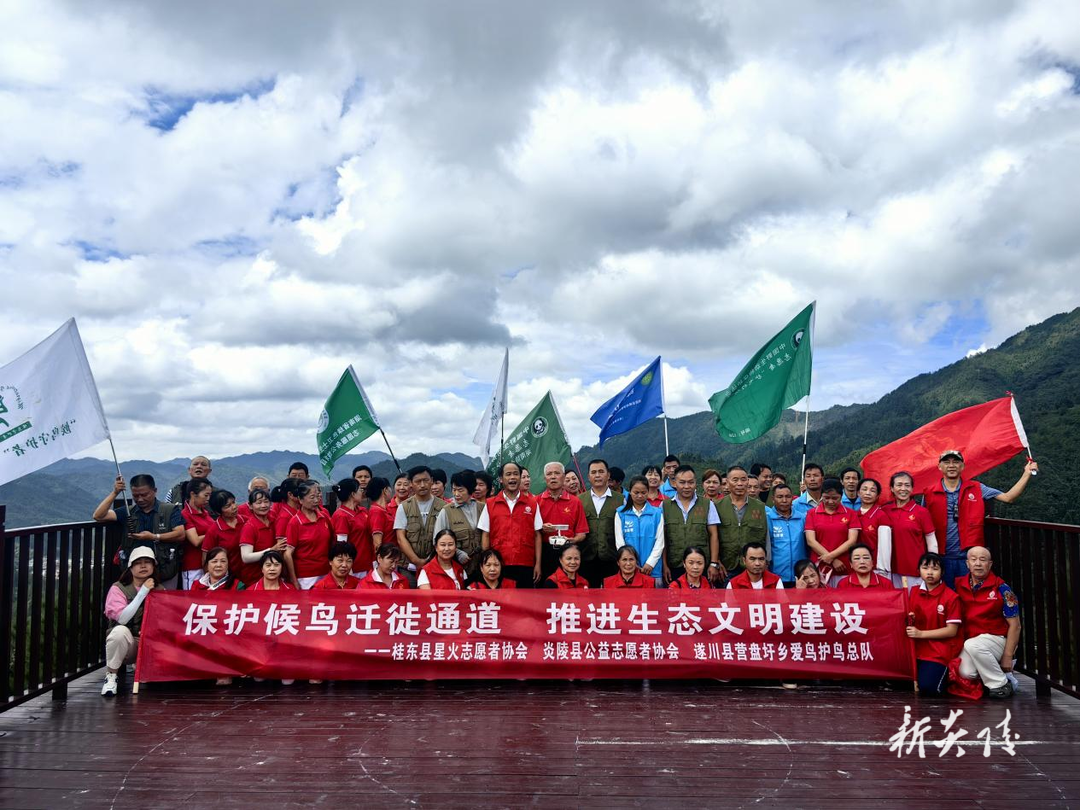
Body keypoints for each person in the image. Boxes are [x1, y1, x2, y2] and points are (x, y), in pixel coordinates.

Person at [923, 450, 1038, 590]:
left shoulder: (977, 488)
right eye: (947, 462)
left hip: (970, 558)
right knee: (943, 597)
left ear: (962, 466)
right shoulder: (929, 493)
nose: (951, 465)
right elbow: (923, 526)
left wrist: (1027, 473)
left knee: (970, 596)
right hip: (940, 558)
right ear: (939, 467)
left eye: (956, 462)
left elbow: (1008, 497)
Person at [92, 473, 185, 588]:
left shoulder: (170, 510)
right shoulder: (128, 512)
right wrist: (115, 492)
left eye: (144, 495)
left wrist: (153, 537)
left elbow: (180, 534)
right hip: (135, 575)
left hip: (164, 570)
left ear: (155, 491)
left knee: (164, 599)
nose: (140, 499)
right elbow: (98, 516)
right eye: (135, 496)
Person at [955, 546, 1021, 699]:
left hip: (997, 639)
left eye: (982, 560)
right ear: (967, 564)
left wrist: (1008, 655)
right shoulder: (958, 585)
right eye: (973, 559)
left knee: (973, 645)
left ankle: (1000, 684)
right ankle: (992, 675)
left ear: (990, 564)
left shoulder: (1003, 589)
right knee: (965, 672)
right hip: (972, 642)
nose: (978, 563)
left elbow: (1015, 625)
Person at [101, 546, 163, 696]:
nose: (143, 566)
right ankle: (111, 677)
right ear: (130, 567)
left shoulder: (160, 590)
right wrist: (143, 592)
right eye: (138, 563)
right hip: (129, 643)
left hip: (150, 643)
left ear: (153, 566)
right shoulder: (118, 589)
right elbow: (123, 618)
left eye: (147, 562)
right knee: (119, 632)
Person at [906, 552, 963, 695]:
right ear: (918, 570)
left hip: (938, 650)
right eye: (925, 568)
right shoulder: (913, 592)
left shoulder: (951, 597)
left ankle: (951, 676)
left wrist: (921, 634)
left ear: (942, 572)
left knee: (929, 688)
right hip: (915, 649)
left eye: (935, 568)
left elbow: (952, 631)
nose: (930, 572)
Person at [479, 462, 543, 588]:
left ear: (520, 477)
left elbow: (537, 535)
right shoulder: (490, 504)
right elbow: (485, 534)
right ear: (501, 479)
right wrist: (487, 563)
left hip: (525, 563)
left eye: (516, 474)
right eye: (508, 474)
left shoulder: (532, 504)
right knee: (501, 598)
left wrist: (538, 564)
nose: (512, 477)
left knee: (524, 598)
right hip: (499, 564)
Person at [661, 465, 721, 585]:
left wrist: (714, 563)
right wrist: (664, 565)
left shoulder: (707, 504)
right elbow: (662, 538)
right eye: (682, 482)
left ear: (695, 483)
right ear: (675, 483)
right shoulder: (665, 506)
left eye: (690, 482)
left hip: (701, 566)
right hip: (675, 565)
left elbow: (714, 535)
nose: (687, 486)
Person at [882, 471, 939, 587]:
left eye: (907, 485)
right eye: (899, 485)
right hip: (890, 570)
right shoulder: (884, 511)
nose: (903, 489)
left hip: (915, 570)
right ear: (892, 488)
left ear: (912, 489)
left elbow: (931, 541)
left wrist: (931, 566)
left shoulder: (921, 512)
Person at [536, 462, 588, 580]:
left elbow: (582, 533)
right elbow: (532, 532)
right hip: (545, 551)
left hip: (569, 551)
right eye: (549, 474)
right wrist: (541, 528)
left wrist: (573, 540)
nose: (553, 477)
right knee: (546, 587)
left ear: (563, 477)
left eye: (557, 473)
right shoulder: (537, 501)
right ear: (545, 478)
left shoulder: (575, 502)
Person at [803, 478, 860, 585]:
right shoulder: (812, 513)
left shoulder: (851, 514)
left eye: (835, 498)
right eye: (826, 498)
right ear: (821, 495)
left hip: (843, 565)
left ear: (841, 496)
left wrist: (830, 556)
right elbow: (811, 541)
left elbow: (852, 540)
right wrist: (832, 559)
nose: (830, 501)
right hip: (819, 566)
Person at [715, 466, 767, 579]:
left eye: (743, 480)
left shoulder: (760, 507)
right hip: (726, 566)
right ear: (727, 482)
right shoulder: (717, 506)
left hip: (752, 567)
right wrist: (716, 561)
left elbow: (765, 537)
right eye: (735, 480)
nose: (740, 484)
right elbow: (712, 536)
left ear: (747, 481)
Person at [579, 458, 625, 587]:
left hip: (612, 558)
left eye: (601, 471)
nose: (597, 475)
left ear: (608, 475)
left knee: (611, 595)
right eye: (593, 472)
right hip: (586, 558)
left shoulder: (621, 499)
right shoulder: (579, 500)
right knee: (588, 596)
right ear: (588, 476)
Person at [395, 466, 447, 578]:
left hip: (437, 565)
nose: (422, 485)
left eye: (426, 480)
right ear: (411, 484)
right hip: (408, 567)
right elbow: (400, 537)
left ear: (431, 480)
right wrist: (416, 561)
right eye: (418, 481)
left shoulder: (443, 507)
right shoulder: (404, 507)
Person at [614, 476, 664, 588]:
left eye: (643, 492)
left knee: (654, 598)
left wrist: (650, 563)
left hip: (652, 569)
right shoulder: (621, 513)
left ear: (648, 492)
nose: (640, 496)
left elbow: (660, 542)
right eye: (636, 492)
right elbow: (620, 542)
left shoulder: (657, 513)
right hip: (629, 568)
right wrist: (632, 563)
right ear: (630, 492)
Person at [433, 470, 485, 577]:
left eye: (460, 490)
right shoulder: (446, 511)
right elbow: (436, 540)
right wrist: (457, 552)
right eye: (454, 490)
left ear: (470, 490)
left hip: (482, 567)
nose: (456, 494)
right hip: (458, 568)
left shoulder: (482, 508)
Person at [285, 480, 334, 588]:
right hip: (305, 577)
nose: (316, 500)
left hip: (326, 572)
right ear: (300, 500)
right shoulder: (295, 522)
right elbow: (288, 553)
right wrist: (294, 580)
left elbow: (332, 542)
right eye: (312, 497)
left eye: (317, 496)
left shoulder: (324, 517)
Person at [239, 488, 283, 587]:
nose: (263, 505)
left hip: (274, 576)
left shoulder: (274, 519)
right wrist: (271, 550)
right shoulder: (249, 527)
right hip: (254, 577)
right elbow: (246, 557)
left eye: (266, 502)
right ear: (250, 506)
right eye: (259, 503)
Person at [331, 478, 373, 578]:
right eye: (360, 489)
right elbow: (341, 546)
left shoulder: (362, 511)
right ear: (353, 494)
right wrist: (347, 569)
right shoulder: (341, 515)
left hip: (367, 563)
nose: (362, 492)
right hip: (353, 568)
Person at [766, 484, 807, 584]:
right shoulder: (767, 519)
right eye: (780, 497)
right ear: (773, 499)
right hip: (776, 576)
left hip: (800, 575)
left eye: (788, 497)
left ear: (792, 498)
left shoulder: (802, 518)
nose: (784, 500)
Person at [202, 490, 246, 581]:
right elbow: (206, 560)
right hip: (228, 579)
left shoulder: (247, 521)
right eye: (228, 506)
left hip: (251, 575)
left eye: (233, 502)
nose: (234, 507)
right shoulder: (214, 530)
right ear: (218, 512)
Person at [181, 480, 215, 589]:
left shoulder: (205, 512)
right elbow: (195, 540)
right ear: (193, 494)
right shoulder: (185, 514)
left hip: (208, 565)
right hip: (193, 567)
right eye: (205, 495)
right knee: (192, 595)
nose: (208, 499)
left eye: (210, 495)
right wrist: (213, 532)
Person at [854, 478, 891, 573]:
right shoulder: (854, 515)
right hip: (856, 565)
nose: (868, 493)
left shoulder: (881, 516)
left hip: (875, 568)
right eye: (864, 489)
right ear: (858, 493)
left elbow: (885, 547)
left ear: (877, 495)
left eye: (872, 490)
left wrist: (882, 569)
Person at [365, 477, 394, 549]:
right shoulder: (377, 512)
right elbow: (377, 543)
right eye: (390, 488)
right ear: (385, 490)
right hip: (386, 554)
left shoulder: (384, 510)